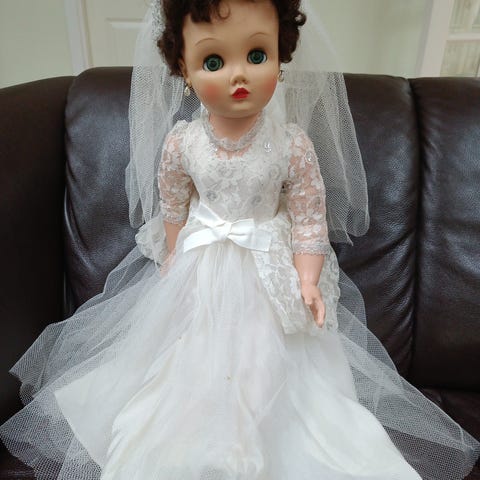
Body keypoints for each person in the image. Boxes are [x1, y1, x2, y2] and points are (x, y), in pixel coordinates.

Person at [0, 0, 479, 479]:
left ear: (281, 56)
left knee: (267, 365)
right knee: (186, 363)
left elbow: (309, 218)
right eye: (213, 61)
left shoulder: (291, 145)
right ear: (184, 70)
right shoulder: (183, 143)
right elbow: (174, 206)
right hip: (200, 266)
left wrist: (307, 280)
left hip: (268, 272)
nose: (239, 75)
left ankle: (258, 439)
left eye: (257, 55)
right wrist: (172, 258)